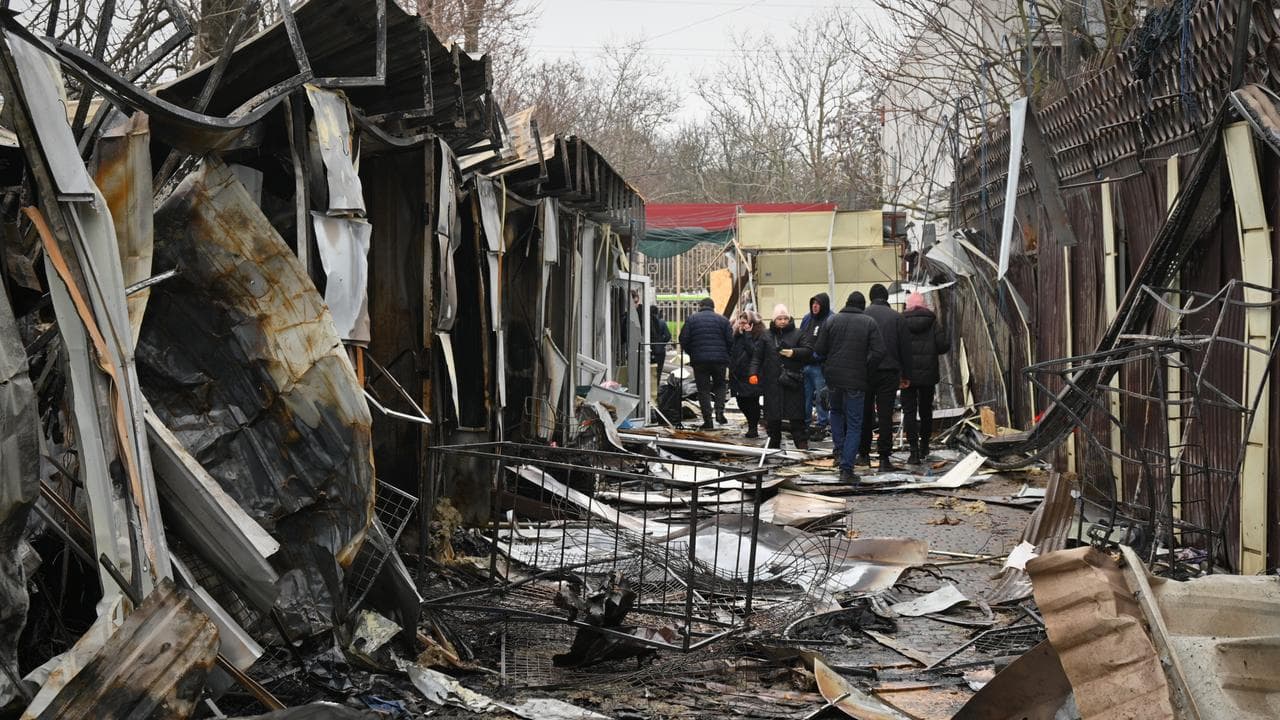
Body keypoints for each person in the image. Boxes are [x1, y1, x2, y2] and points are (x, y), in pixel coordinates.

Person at [816, 291, 885, 484]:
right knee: (855, 424)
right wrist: (866, 368)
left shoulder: (831, 321)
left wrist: (829, 365)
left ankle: (839, 451)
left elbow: (819, 349)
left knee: (836, 412)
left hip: (833, 379)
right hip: (856, 380)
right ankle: (847, 468)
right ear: (863, 306)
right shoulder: (869, 323)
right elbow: (879, 351)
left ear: (846, 303)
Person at [859, 283, 910, 472]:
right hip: (889, 372)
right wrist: (906, 375)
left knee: (865, 413)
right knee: (885, 415)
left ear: (870, 297)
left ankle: (863, 454)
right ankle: (883, 458)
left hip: (866, 372)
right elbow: (905, 349)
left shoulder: (862, 316)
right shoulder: (897, 318)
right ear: (887, 297)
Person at [753, 304, 812, 449]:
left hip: (792, 382)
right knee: (773, 418)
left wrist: (794, 352)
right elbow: (757, 357)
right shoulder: (766, 335)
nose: (783, 321)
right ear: (774, 319)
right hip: (772, 383)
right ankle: (773, 445)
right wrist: (753, 373)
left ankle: (801, 445)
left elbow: (808, 350)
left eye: (785, 318)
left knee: (797, 418)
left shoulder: (798, 333)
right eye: (779, 318)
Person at [902, 292, 951, 464]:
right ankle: (924, 446)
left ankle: (913, 451)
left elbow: (895, 346)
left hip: (906, 376)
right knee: (925, 411)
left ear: (907, 306)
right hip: (928, 375)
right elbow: (943, 346)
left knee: (909, 411)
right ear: (924, 305)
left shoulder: (900, 322)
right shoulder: (932, 322)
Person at [678, 297, 733, 429]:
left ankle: (708, 420)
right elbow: (731, 341)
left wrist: (692, 352)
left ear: (700, 306)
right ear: (713, 307)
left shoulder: (692, 319)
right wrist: (726, 355)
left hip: (700, 361)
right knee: (720, 386)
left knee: (703, 390)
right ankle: (720, 412)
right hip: (720, 360)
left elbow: (683, 339)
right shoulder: (723, 320)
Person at [799, 293, 832, 436]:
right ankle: (805, 423)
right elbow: (800, 336)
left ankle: (822, 424)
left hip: (820, 365)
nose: (815, 306)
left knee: (821, 397)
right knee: (804, 396)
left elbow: (830, 343)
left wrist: (818, 356)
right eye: (813, 303)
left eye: (818, 303)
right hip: (805, 364)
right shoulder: (807, 319)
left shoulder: (830, 319)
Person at [729, 311, 765, 438]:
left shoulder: (759, 335)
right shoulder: (738, 334)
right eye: (741, 322)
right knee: (741, 402)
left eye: (745, 323)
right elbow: (732, 351)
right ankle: (751, 424)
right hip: (738, 375)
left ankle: (753, 428)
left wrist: (748, 335)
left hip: (751, 373)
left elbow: (754, 352)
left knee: (752, 402)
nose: (742, 325)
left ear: (752, 324)